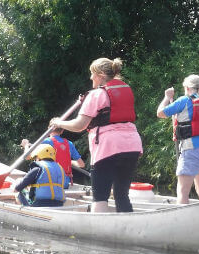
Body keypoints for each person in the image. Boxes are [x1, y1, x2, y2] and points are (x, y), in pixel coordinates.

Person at [50, 57, 143, 213]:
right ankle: (128, 230)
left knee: (100, 197)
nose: (90, 77)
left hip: (108, 148)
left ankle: (100, 233)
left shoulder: (96, 95)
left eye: (92, 74)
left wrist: (59, 123)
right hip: (132, 146)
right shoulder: (126, 89)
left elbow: (79, 125)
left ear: (100, 74)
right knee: (121, 194)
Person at [156, 74, 199, 204]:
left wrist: (167, 98)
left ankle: (181, 221)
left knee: (183, 192)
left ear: (187, 88)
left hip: (192, 149)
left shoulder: (184, 100)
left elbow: (160, 113)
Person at [20, 124, 85, 189]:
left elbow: (27, 157)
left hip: (48, 182)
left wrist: (26, 145)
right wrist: (68, 161)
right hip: (64, 183)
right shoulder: (69, 143)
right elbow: (81, 164)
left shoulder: (45, 141)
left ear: (49, 129)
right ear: (62, 131)